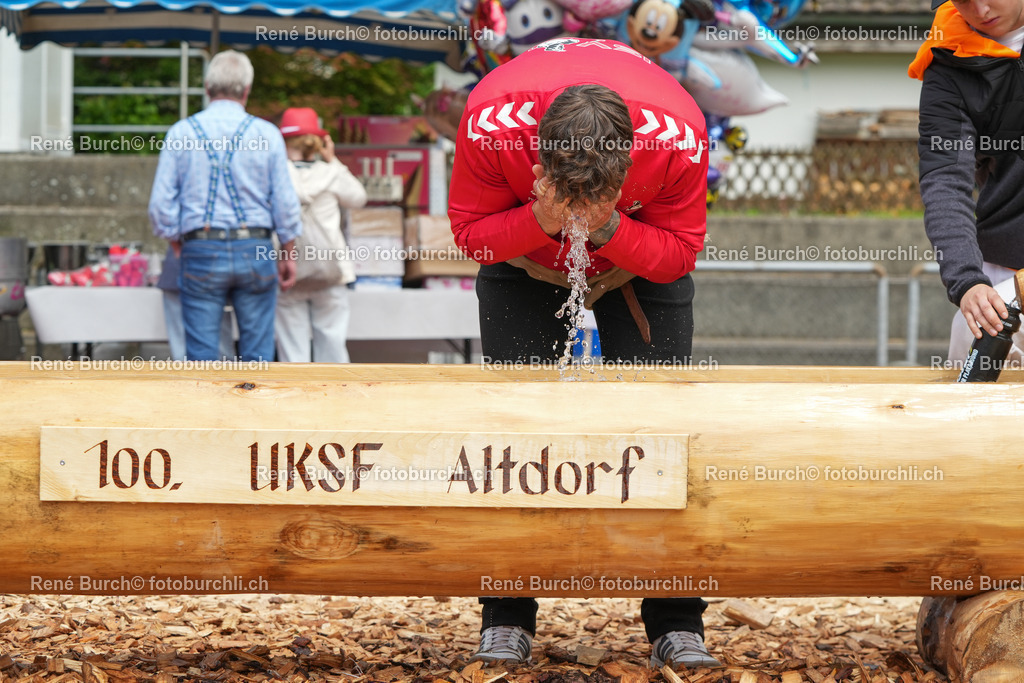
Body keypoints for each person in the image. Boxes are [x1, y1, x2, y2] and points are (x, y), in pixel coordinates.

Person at [447, 38, 715, 669]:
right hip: (525, 260)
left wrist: (611, 227)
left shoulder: (679, 135)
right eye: (562, 191)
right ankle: (506, 614)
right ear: (535, 153)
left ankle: (677, 620)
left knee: (663, 433)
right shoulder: (490, 122)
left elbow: (680, 253)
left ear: (631, 163)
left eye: (596, 193)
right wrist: (538, 222)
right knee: (513, 433)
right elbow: (470, 236)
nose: (577, 209)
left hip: (637, 263)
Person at [149, 50, 301, 362]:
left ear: (207, 88)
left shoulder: (181, 132)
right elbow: (285, 203)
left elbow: (160, 206)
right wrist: (288, 253)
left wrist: (177, 243)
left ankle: (206, 395)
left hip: (201, 248)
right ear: (246, 90)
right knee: (258, 359)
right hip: (256, 248)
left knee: (203, 360)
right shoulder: (267, 134)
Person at [909, 0, 1024, 364]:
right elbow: (945, 179)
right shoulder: (947, 63)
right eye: (963, 0)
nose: (981, 10)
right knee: (972, 380)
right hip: (1005, 273)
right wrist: (968, 282)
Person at [275, 107, 367, 363]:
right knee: (332, 344)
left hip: (289, 270)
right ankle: (334, 388)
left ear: (284, 142)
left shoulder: (277, 174)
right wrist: (333, 160)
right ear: (319, 142)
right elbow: (359, 198)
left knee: (292, 351)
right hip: (330, 270)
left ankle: (296, 388)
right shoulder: (331, 173)